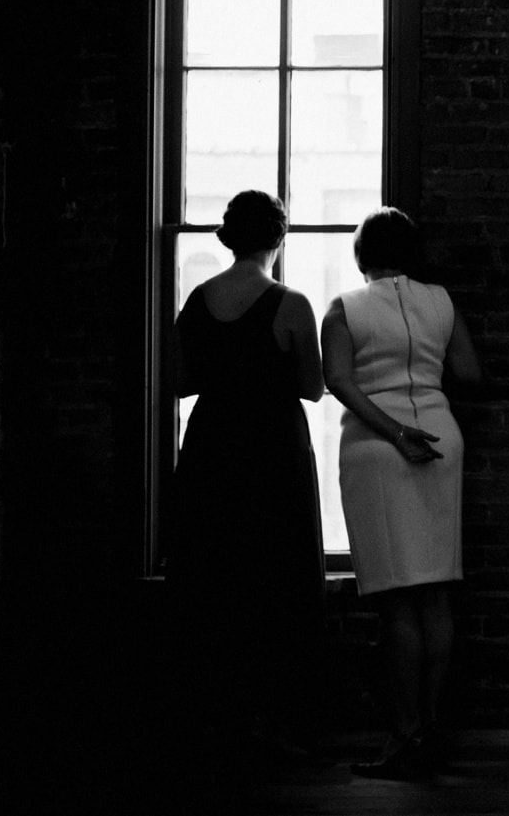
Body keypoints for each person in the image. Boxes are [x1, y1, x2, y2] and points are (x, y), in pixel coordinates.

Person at [322, 207, 482, 780]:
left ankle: (403, 734)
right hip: (442, 441)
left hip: (377, 447)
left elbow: (337, 380)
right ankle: (433, 731)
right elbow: (468, 373)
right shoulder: (441, 300)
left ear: (362, 255)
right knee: (436, 593)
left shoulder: (346, 307)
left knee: (395, 599)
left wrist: (393, 429)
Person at [166, 189, 326, 760]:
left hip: (213, 446)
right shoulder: (291, 303)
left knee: (216, 575)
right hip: (272, 448)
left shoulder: (198, 299)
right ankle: (274, 722)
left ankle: (214, 721)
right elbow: (312, 387)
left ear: (230, 237)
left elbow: (182, 381)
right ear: (279, 238)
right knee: (275, 576)